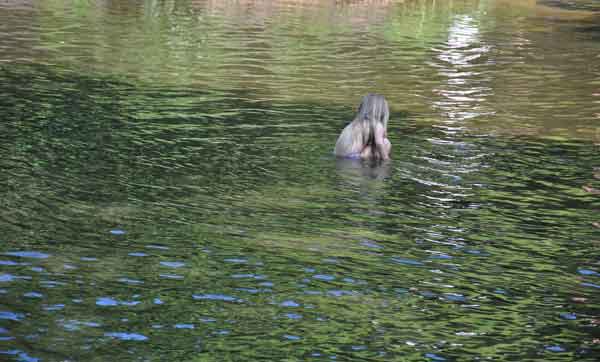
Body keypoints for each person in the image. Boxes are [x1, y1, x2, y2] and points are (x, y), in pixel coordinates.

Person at [334, 94, 391, 160]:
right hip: (354, 158)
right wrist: (386, 160)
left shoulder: (354, 123)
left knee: (371, 145)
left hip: (339, 156)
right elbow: (379, 143)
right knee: (386, 143)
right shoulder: (377, 125)